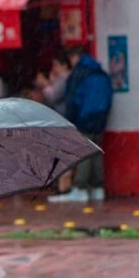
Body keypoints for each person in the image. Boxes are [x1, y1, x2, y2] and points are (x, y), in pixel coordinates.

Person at [49, 45, 112, 202]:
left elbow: (73, 100)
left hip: (84, 118)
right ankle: (98, 188)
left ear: (74, 57)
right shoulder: (101, 73)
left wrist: (70, 120)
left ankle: (80, 188)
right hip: (100, 118)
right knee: (96, 152)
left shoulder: (78, 74)